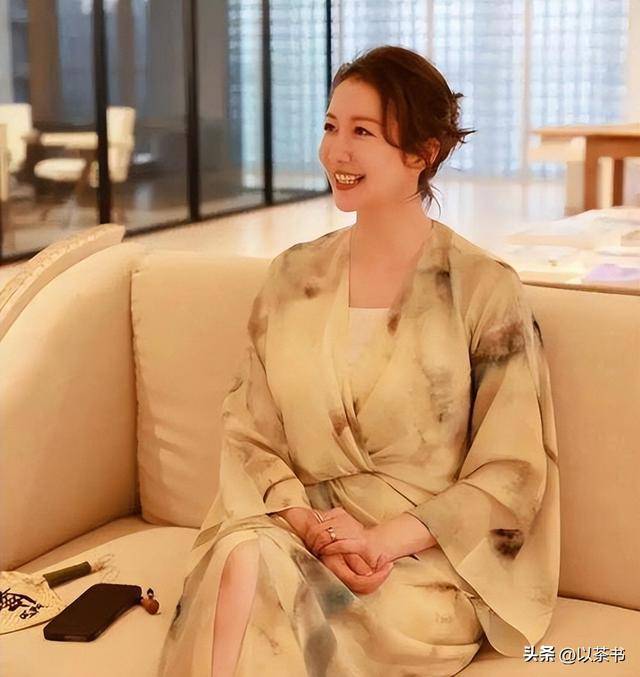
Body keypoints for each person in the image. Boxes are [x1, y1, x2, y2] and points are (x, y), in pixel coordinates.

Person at [158, 44, 560, 677]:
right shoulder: (292, 276)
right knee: (245, 557)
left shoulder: (484, 288)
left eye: (362, 132)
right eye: (330, 126)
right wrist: (315, 531)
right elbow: (248, 432)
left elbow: (510, 473)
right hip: (291, 532)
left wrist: (378, 541)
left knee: (256, 581)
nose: (335, 152)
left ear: (422, 153)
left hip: (417, 562)